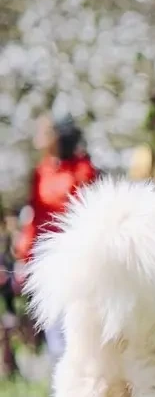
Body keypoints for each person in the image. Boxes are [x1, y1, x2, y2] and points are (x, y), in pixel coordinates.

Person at [15, 114, 98, 366]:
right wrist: (23, 254)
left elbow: (89, 213)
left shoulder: (82, 169)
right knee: (54, 329)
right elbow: (35, 217)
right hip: (47, 260)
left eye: (43, 132)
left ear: (57, 136)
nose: (37, 138)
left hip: (76, 258)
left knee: (79, 326)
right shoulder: (41, 173)